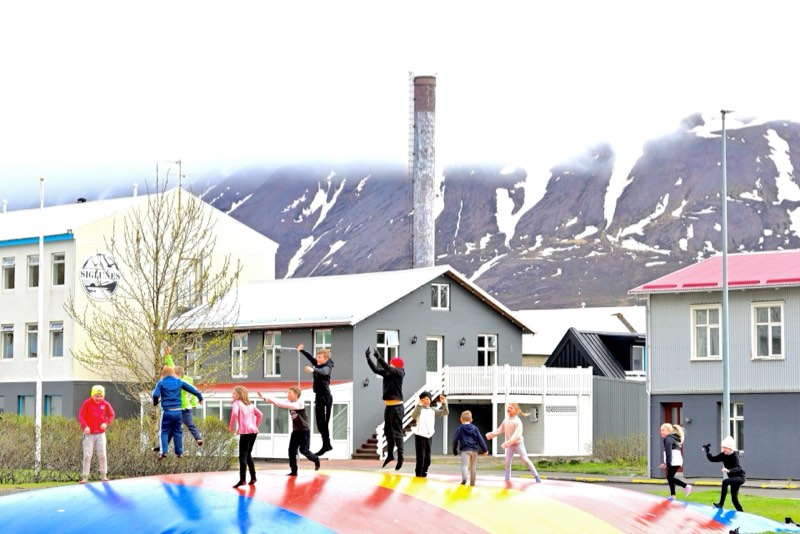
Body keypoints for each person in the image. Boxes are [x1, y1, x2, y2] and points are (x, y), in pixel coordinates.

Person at [259, 386, 321, 476]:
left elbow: (282, 404)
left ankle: (316, 459)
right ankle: (294, 471)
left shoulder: (300, 403)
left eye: (289, 393)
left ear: (296, 394)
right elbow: (277, 402)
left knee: (303, 450)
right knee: (291, 450)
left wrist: (270, 398)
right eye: (287, 393)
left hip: (304, 431)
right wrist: (265, 398)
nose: (287, 394)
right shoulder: (289, 402)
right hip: (296, 431)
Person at [365, 347, 405, 469]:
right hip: (388, 407)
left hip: (397, 407)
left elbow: (388, 368)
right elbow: (375, 370)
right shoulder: (388, 372)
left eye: (391, 363)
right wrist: (368, 358)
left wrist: (379, 357)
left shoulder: (400, 372)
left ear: (396, 365)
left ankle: (400, 457)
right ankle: (390, 455)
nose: (389, 364)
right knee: (388, 432)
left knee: (397, 432)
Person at [152, 365, 203, 459]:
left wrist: (155, 402)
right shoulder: (179, 381)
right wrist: (200, 397)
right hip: (178, 412)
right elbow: (192, 389)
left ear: (163, 375)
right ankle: (179, 453)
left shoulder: (161, 383)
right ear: (173, 373)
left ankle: (163, 452)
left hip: (167, 411)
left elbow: (155, 395)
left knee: (163, 432)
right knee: (177, 432)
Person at [486, 403, 541, 483]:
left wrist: (507, 443)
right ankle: (507, 478)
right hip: (510, 445)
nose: (508, 409)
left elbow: (516, 435)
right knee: (507, 461)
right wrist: (490, 435)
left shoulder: (517, 421)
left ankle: (536, 476)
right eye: (508, 407)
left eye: (511, 408)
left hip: (518, 444)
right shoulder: (506, 420)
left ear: (516, 410)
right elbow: (500, 430)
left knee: (525, 460)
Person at [164, 346, 204, 446]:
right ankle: (164, 447)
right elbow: (171, 366)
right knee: (174, 428)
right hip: (179, 409)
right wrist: (168, 355)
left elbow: (193, 391)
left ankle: (198, 439)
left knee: (189, 424)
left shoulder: (184, 382)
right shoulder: (179, 379)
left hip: (183, 408)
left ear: (179, 375)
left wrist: (195, 402)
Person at [299, 343, 334, 456]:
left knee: (324, 423)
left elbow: (324, 372)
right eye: (317, 357)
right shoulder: (319, 363)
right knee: (319, 424)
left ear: (325, 359)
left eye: (319, 357)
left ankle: (326, 445)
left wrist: (313, 369)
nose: (317, 359)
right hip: (318, 397)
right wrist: (302, 350)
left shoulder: (328, 366)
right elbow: (311, 358)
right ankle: (327, 445)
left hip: (326, 397)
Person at [77, 385, 115, 484]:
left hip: (101, 434)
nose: (98, 398)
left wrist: (106, 423)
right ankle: (85, 477)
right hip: (89, 434)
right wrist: (85, 426)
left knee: (102, 455)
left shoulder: (105, 404)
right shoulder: (87, 403)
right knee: (87, 456)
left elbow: (111, 415)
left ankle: (104, 475)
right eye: (96, 396)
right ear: (92, 395)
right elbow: (81, 416)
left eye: (100, 396)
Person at [229, 386, 263, 488]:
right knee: (248, 455)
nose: (232, 395)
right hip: (253, 432)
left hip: (245, 433)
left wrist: (231, 426)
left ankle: (242, 480)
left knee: (242, 456)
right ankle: (253, 477)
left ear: (239, 395)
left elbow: (234, 413)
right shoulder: (250, 404)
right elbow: (260, 415)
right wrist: (255, 426)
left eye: (234, 393)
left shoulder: (236, 403)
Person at [410, 391, 449, 477]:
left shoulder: (432, 410)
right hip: (420, 436)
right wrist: (419, 405)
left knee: (427, 457)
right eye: (424, 399)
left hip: (429, 436)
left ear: (430, 400)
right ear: (421, 400)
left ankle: (425, 472)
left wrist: (444, 403)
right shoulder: (419, 409)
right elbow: (413, 416)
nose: (426, 401)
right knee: (421, 457)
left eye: (428, 399)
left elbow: (445, 412)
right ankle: (418, 474)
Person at [703, 436, 746, 512]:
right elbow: (712, 459)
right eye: (722, 447)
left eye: (725, 448)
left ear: (730, 448)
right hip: (733, 478)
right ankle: (742, 513)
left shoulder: (735, 455)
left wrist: (729, 470)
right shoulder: (723, 455)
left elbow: (738, 467)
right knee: (734, 499)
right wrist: (708, 452)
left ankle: (721, 504)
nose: (723, 449)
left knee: (725, 481)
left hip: (740, 477)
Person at [451, 410, 489, 486]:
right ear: (471, 420)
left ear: (461, 419)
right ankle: (472, 483)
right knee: (473, 467)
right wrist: (485, 450)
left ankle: (464, 479)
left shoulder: (460, 429)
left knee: (464, 465)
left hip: (465, 450)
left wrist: (454, 450)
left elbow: (454, 440)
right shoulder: (475, 428)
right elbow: (480, 439)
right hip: (474, 450)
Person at [658, 423, 692, 500]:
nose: (661, 432)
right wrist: (666, 463)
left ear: (668, 431)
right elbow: (671, 452)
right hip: (676, 460)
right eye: (660, 430)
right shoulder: (672, 438)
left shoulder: (668, 438)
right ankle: (673, 495)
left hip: (674, 461)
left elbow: (669, 451)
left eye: (663, 430)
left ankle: (686, 486)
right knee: (670, 477)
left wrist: (668, 463)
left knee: (669, 477)